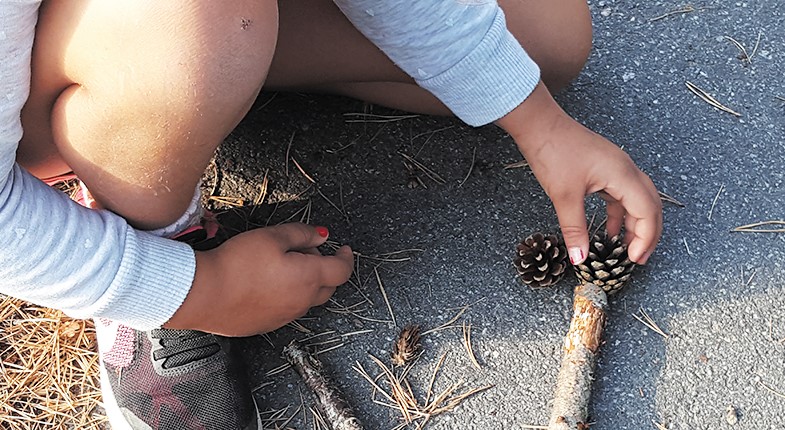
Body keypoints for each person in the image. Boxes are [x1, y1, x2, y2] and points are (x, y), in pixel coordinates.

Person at [1, 1, 662, 428]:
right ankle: (151, 220)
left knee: (544, 38)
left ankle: (216, 67)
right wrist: (197, 290)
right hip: (55, 73)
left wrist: (539, 122)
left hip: (205, 23)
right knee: (194, 28)